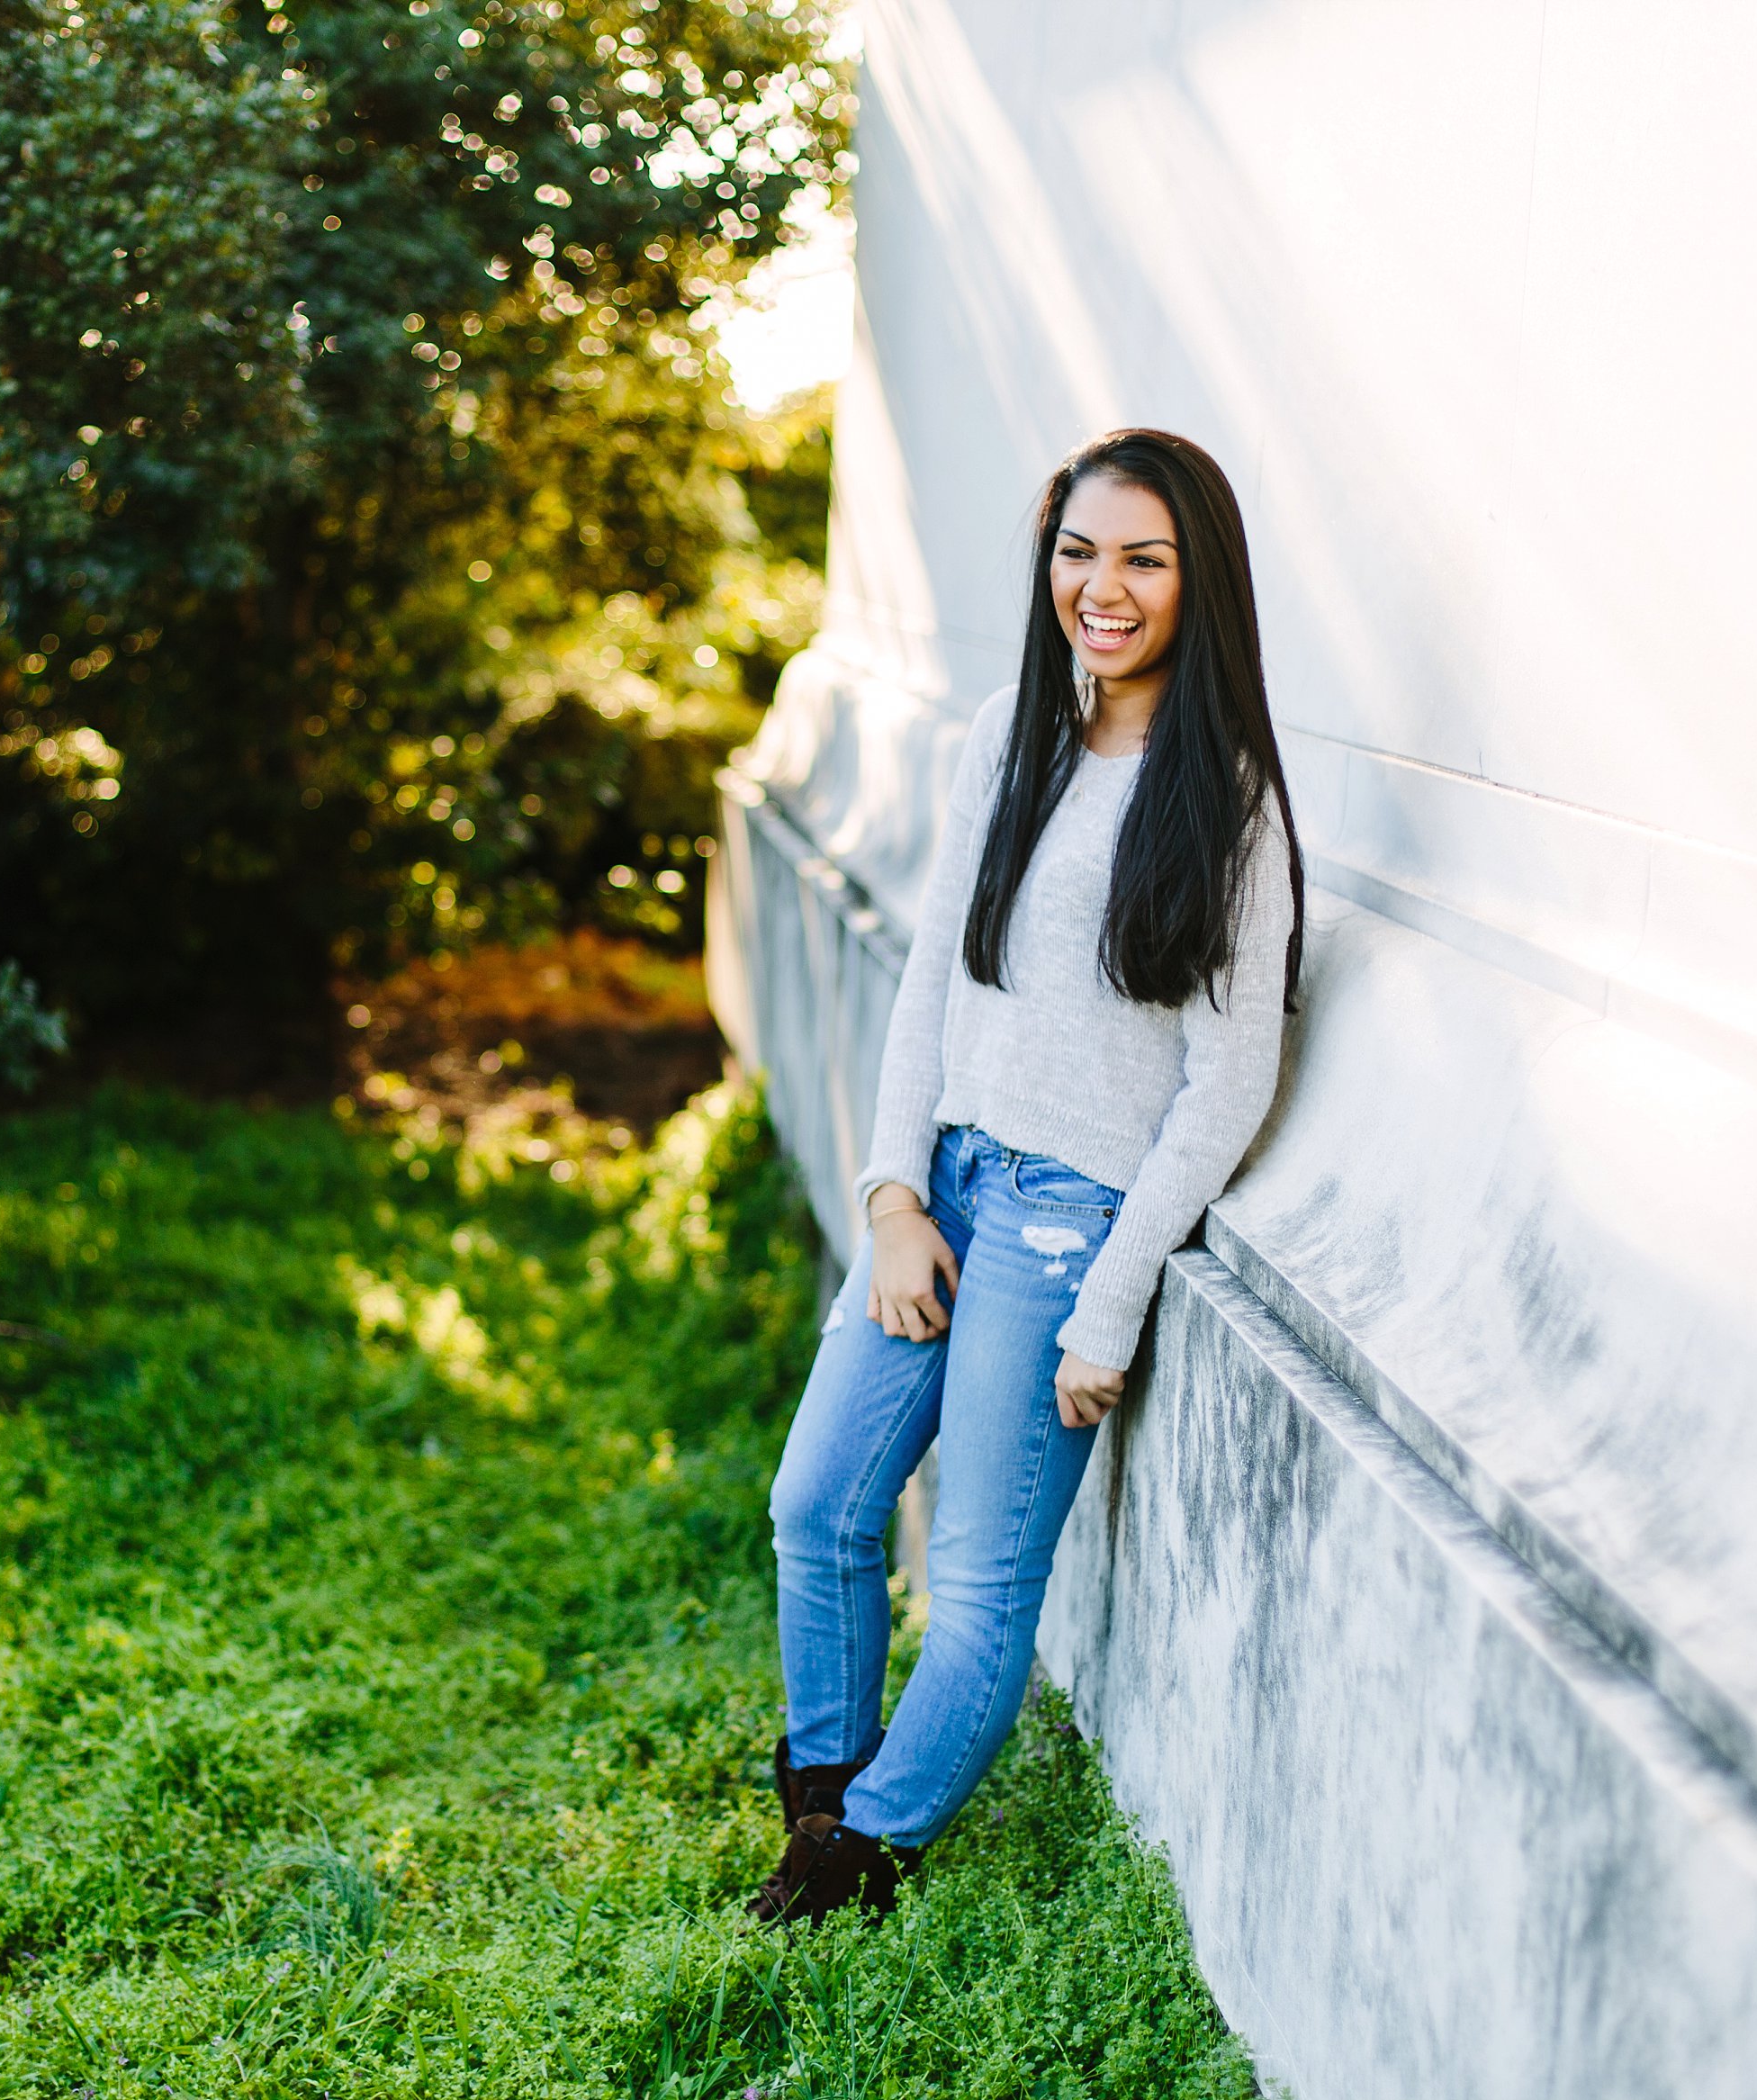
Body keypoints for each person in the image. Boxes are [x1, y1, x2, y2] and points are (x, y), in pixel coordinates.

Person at [750, 429, 1305, 1924]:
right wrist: (888, 1195)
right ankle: (823, 1786)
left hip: (1068, 1226)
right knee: (819, 1500)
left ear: (1201, 582)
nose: (1101, 589)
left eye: (1143, 558)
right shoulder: (1013, 730)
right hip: (945, 1181)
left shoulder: (1229, 799)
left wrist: (1110, 1303)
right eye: (1078, 550)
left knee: (985, 1587)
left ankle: (861, 1853)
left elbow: (1228, 1079)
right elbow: (935, 972)